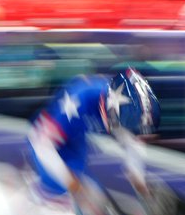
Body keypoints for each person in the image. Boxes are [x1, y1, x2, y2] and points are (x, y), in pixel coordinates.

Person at [26, 68, 160, 206]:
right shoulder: (80, 98)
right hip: (50, 133)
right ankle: (34, 200)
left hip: (77, 134)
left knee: (91, 192)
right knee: (59, 189)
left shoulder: (119, 104)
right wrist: (72, 184)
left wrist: (138, 177)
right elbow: (41, 144)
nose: (126, 129)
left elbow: (131, 142)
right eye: (124, 124)